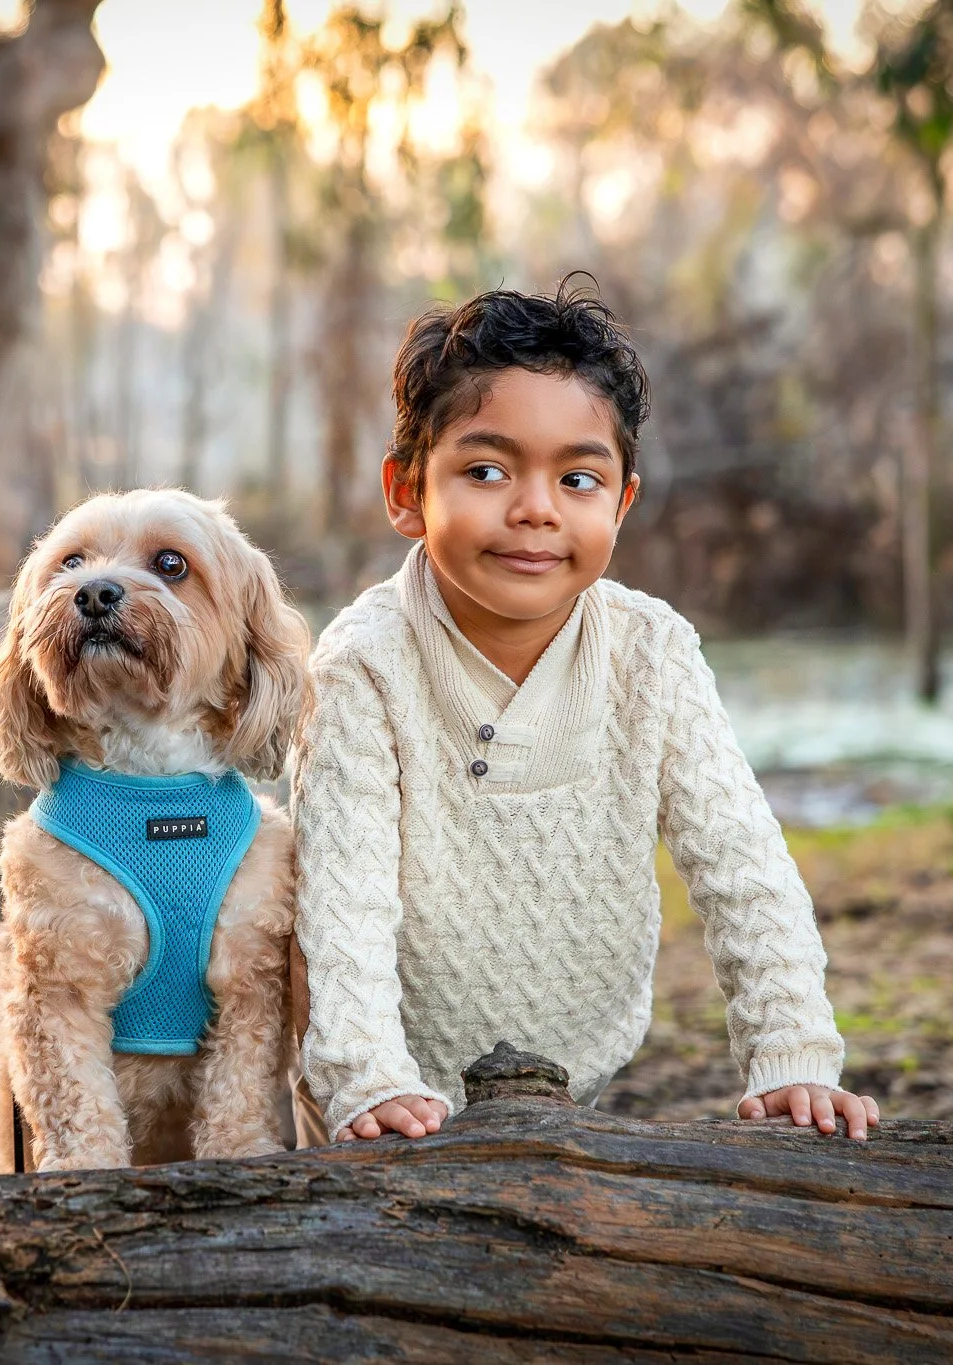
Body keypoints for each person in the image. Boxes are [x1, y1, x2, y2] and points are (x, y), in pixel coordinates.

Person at [293, 275, 879, 1144]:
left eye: (576, 477)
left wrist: (792, 1048)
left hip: (577, 1082)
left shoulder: (652, 653)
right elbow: (341, 905)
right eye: (486, 470)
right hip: (383, 1105)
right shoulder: (362, 670)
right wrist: (363, 1074)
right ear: (407, 492)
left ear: (622, 502)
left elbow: (743, 868)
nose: (534, 509)